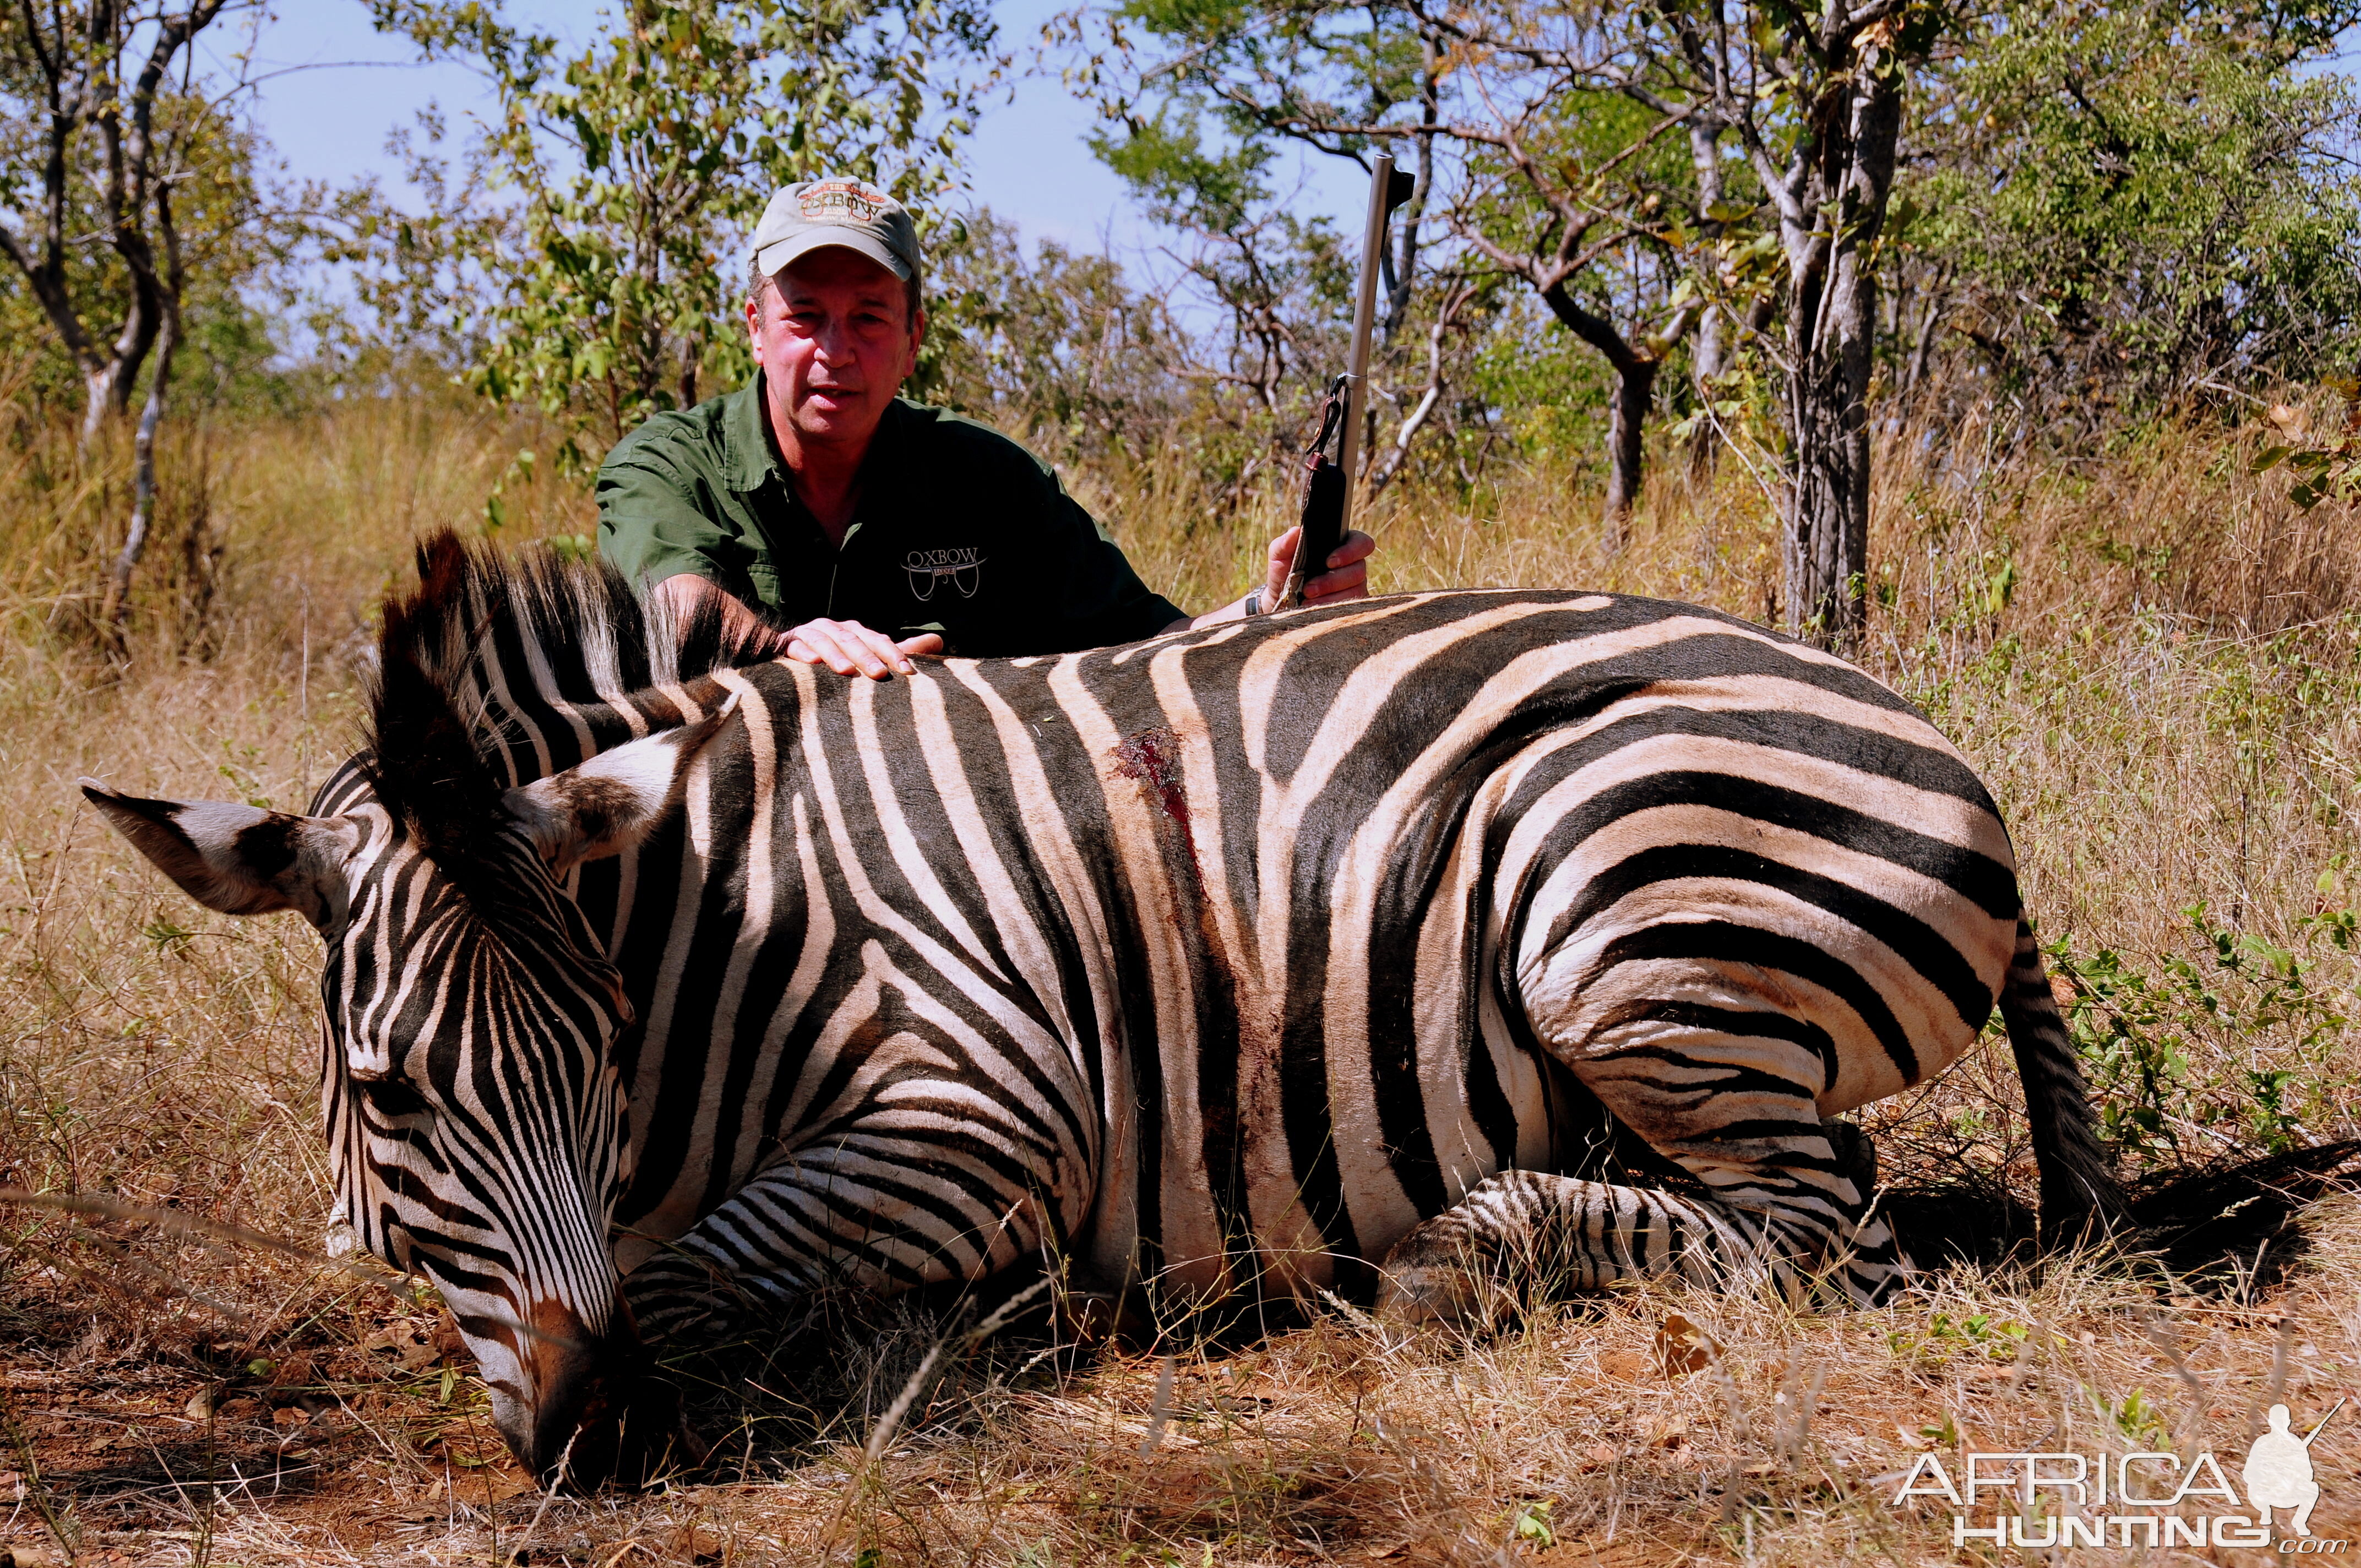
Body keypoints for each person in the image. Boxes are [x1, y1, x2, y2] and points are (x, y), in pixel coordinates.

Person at [596, 177, 1375, 678]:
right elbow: (679, 604)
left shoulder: (990, 478)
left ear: (913, 343)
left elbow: (1149, 638)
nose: (834, 351)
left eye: (869, 318)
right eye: (805, 317)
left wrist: (1267, 612)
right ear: (756, 330)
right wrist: (786, 644)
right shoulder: (664, 464)